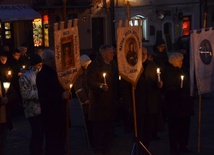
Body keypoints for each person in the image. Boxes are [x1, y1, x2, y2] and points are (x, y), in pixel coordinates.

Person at [36, 49, 71, 155]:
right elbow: (44, 95)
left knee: (61, 139)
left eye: (54, 59)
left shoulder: (56, 73)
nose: (54, 61)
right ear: (45, 60)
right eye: (51, 59)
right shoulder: (42, 75)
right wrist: (60, 96)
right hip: (51, 113)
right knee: (52, 141)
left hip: (60, 111)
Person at [86, 44, 119, 155]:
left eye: (113, 52)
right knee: (99, 132)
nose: (112, 54)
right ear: (103, 54)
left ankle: (107, 150)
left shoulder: (114, 64)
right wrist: (100, 86)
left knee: (109, 133)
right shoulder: (94, 65)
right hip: (99, 104)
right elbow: (89, 82)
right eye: (110, 52)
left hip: (110, 104)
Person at [161, 52, 194, 155]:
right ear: (174, 61)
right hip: (174, 105)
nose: (181, 62)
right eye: (180, 61)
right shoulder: (168, 71)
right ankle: (174, 147)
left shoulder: (182, 70)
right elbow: (167, 88)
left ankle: (183, 145)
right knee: (174, 127)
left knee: (185, 126)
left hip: (184, 104)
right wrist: (177, 90)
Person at [135, 47, 163, 155]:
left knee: (148, 128)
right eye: (141, 53)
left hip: (150, 103)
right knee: (139, 128)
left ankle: (146, 147)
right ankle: (138, 148)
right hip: (139, 102)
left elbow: (157, 79)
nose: (143, 55)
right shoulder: (134, 65)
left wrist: (159, 83)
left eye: (145, 53)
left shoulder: (152, 65)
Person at [19, 54, 43, 155]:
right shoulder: (26, 77)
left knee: (41, 132)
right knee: (36, 132)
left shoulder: (41, 75)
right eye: (39, 65)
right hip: (31, 110)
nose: (40, 67)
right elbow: (25, 94)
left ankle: (39, 150)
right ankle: (34, 151)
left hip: (41, 108)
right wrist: (40, 93)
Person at [73, 54, 93, 146]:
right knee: (88, 121)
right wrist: (85, 99)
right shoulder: (79, 74)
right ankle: (90, 139)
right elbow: (79, 88)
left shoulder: (88, 72)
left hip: (90, 98)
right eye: (87, 64)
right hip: (86, 102)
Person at [0, 51, 17, 155]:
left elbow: (14, 94)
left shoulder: (3, 81)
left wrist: (8, 99)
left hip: (4, 118)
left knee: (2, 142)